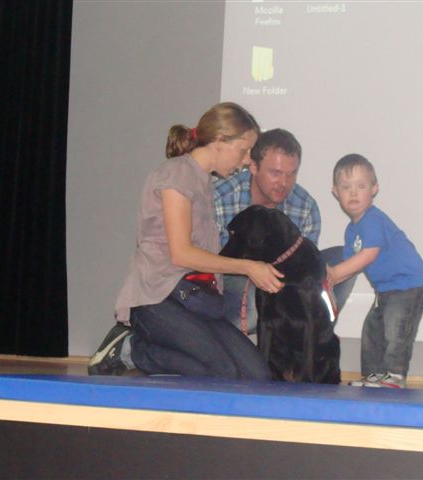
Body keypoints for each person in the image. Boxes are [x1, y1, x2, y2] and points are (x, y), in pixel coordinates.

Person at [88, 102, 285, 380]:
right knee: (221, 371)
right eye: (243, 151)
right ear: (219, 141)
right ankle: (131, 350)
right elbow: (181, 254)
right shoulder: (176, 174)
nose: (245, 161)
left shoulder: (203, 181)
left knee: (257, 375)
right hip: (158, 297)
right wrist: (248, 267)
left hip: (194, 299)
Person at [214, 128, 356, 334]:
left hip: (284, 281)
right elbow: (207, 264)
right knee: (256, 298)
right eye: (275, 173)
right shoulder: (220, 198)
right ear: (253, 166)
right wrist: (250, 269)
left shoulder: (305, 206)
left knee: (345, 258)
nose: (284, 183)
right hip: (232, 279)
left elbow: (305, 268)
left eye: (291, 174)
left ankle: (313, 334)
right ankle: (232, 335)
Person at [327, 154, 423, 389]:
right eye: (346, 187)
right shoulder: (352, 230)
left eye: (361, 186)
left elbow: (368, 256)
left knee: (396, 328)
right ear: (335, 192)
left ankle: (394, 375)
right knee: (372, 330)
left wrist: (333, 273)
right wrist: (330, 281)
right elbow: (351, 266)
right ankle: (374, 374)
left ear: (374, 189)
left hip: (407, 284)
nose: (353, 193)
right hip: (385, 288)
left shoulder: (373, 220)